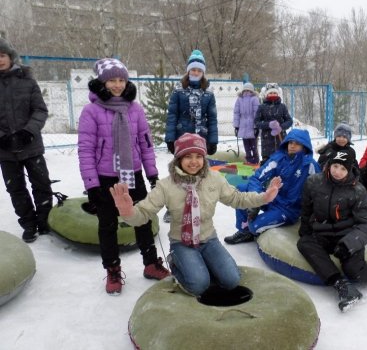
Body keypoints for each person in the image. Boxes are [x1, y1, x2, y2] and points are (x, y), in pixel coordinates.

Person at [109, 133, 282, 296]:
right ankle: (177, 263)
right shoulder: (166, 186)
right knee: (199, 285)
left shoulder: (214, 179)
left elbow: (237, 198)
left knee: (231, 280)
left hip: (209, 240)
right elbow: (144, 212)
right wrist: (129, 212)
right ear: (179, 159)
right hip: (182, 243)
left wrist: (264, 197)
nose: (194, 162)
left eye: (198, 156)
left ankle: (203, 263)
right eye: (188, 157)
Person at [78, 58, 170, 295]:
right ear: (102, 82)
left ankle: (150, 263)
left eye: (121, 80)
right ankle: (113, 270)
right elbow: (86, 149)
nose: (117, 85)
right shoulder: (91, 111)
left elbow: (146, 143)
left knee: (142, 219)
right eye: (112, 80)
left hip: (133, 174)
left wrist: (152, 174)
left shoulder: (135, 109)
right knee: (107, 225)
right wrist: (92, 185)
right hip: (105, 178)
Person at [297, 149, 367, 312]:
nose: (337, 172)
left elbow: (365, 225)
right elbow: (306, 209)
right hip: (322, 233)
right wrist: (305, 228)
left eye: (343, 169)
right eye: (335, 166)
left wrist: (349, 244)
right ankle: (343, 287)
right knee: (304, 243)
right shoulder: (313, 182)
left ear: (349, 170)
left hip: (347, 235)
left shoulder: (357, 191)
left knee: (354, 270)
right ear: (329, 165)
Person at [224, 129, 320, 244]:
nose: (292, 146)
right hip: (272, 198)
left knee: (254, 226)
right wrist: (256, 199)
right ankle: (244, 231)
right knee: (241, 189)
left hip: (288, 209)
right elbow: (257, 177)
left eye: (297, 143)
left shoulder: (310, 165)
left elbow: (318, 191)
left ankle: (252, 228)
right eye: (290, 142)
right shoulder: (279, 158)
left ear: (305, 146)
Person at [0, 38, 53, 243]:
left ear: (10, 57)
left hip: (30, 145)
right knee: (16, 189)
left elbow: (40, 110)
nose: (0, 60)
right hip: (5, 151)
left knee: (41, 184)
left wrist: (28, 132)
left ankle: (45, 221)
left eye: (2, 55)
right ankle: (29, 224)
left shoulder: (27, 80)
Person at [164, 49, 218, 156]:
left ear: (203, 72)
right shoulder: (179, 90)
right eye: (193, 69)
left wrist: (213, 140)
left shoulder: (208, 92)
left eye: (199, 70)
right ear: (188, 70)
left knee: (198, 165)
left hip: (201, 136)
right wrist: (170, 138)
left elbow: (212, 118)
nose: (196, 72)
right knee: (183, 164)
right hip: (182, 135)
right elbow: (172, 115)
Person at [254, 83, 292, 165]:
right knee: (268, 164)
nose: (273, 94)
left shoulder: (282, 107)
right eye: (270, 93)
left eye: (274, 93)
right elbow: (257, 122)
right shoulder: (262, 107)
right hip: (267, 141)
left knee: (282, 162)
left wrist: (281, 127)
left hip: (281, 139)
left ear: (278, 94)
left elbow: (289, 121)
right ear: (266, 94)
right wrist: (268, 124)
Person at [233, 82, 260, 165]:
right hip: (243, 126)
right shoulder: (239, 99)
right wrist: (236, 126)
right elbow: (236, 113)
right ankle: (249, 160)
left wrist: (256, 127)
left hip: (252, 126)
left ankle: (256, 160)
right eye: (245, 90)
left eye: (249, 90)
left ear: (252, 91)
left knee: (254, 145)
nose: (247, 92)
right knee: (246, 146)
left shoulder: (254, 99)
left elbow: (257, 113)